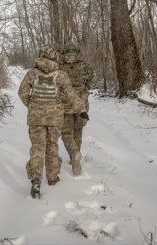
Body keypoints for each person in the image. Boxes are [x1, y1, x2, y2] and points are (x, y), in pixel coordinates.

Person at [18, 45, 85, 198]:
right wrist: (81, 110)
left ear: (40, 56)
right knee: (52, 145)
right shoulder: (61, 74)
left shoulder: (31, 74)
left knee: (37, 147)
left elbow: (22, 93)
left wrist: (32, 105)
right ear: (55, 57)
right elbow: (70, 94)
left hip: (35, 118)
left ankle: (36, 179)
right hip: (55, 117)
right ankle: (53, 177)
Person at [58, 42, 94, 176]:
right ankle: (75, 157)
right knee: (78, 131)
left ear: (65, 53)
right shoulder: (84, 66)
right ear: (77, 52)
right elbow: (91, 79)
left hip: (65, 105)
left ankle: (74, 154)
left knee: (66, 133)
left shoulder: (59, 67)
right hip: (81, 105)